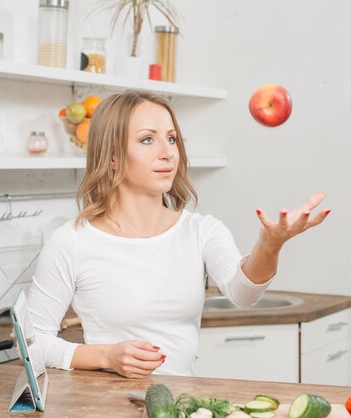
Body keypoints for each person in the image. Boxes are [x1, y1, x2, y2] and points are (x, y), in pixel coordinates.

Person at [27, 90, 330, 378]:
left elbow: (244, 294)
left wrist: (270, 244)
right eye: (147, 139)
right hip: (102, 405)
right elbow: (30, 344)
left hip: (180, 404)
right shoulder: (73, 240)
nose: (167, 153)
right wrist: (105, 357)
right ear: (112, 157)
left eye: (171, 139)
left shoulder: (201, 231)